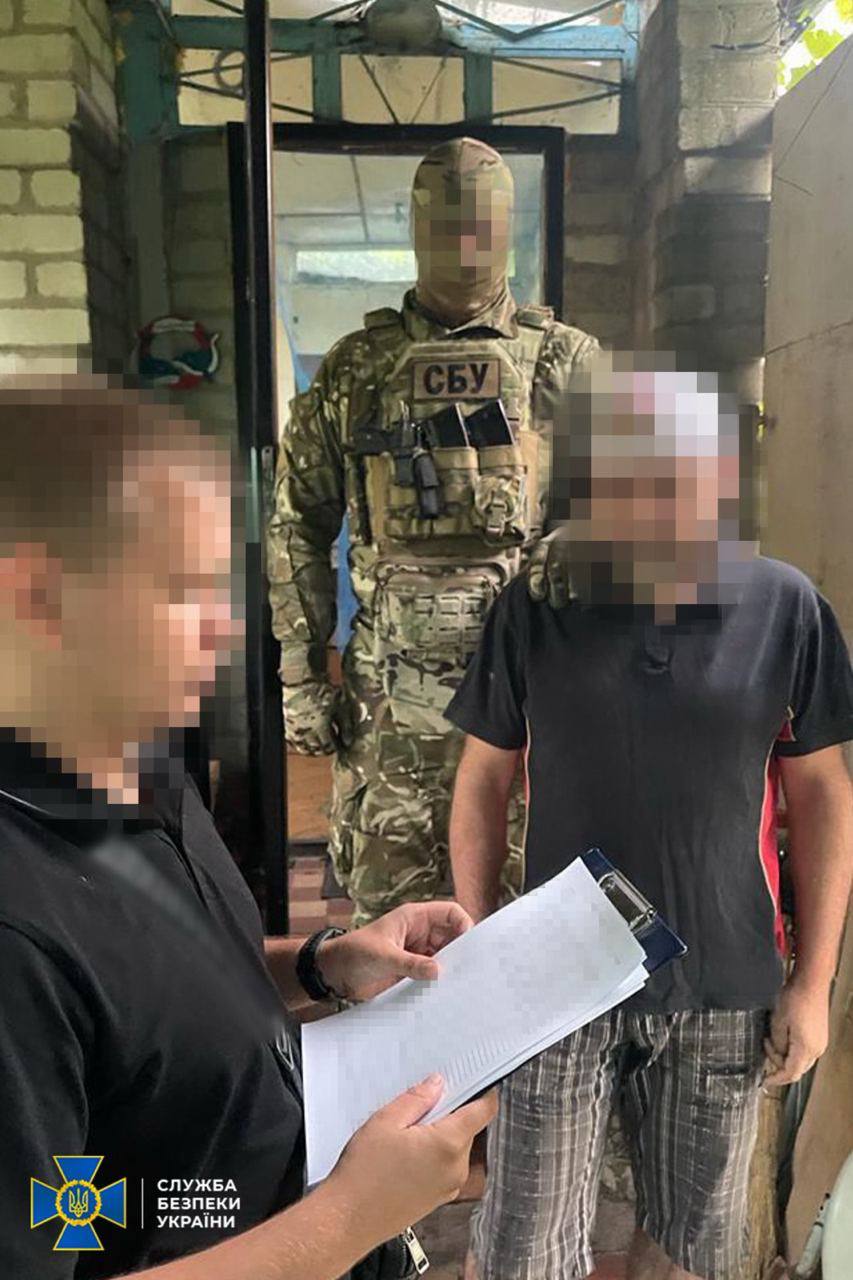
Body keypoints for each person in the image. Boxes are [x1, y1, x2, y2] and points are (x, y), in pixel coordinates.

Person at [0, 375, 496, 1280]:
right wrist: (347, 1219)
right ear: (38, 597)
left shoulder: (128, 758)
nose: (225, 630)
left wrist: (316, 966)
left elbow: (140, 995)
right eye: (182, 590)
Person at [445, 356, 853, 1280]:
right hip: (554, 983)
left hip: (722, 982)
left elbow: (823, 796)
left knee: (689, 1250)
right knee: (521, 1245)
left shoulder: (784, 610)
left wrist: (812, 984)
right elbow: (482, 778)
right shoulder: (536, 608)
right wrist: (476, 943)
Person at [268, 135, 598, 926]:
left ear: (507, 228)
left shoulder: (565, 363)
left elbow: (633, 512)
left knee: (527, 927)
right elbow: (296, 525)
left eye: (481, 221)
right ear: (416, 229)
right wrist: (300, 680)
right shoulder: (357, 369)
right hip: (391, 719)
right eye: (446, 222)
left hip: (530, 715)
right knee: (392, 938)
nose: (464, 241)